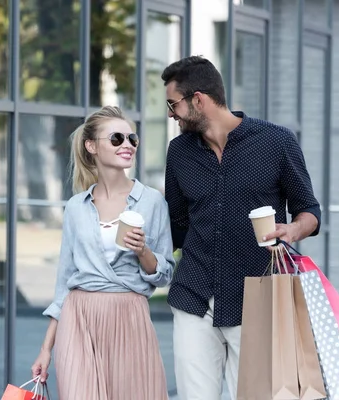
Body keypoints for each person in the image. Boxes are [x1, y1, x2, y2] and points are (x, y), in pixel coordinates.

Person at [162, 56, 321, 400]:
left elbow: (309, 210)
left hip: (256, 299)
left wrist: (292, 231)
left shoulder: (277, 142)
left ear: (199, 99)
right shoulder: (178, 153)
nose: (171, 113)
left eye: (173, 104)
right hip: (194, 298)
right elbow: (177, 224)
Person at [30, 105, 175, 400]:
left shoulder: (151, 202)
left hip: (129, 318)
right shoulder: (75, 207)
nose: (127, 145)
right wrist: (46, 350)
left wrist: (142, 250)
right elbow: (65, 282)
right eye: (117, 138)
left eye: (132, 139)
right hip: (78, 319)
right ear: (91, 146)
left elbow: (164, 273)